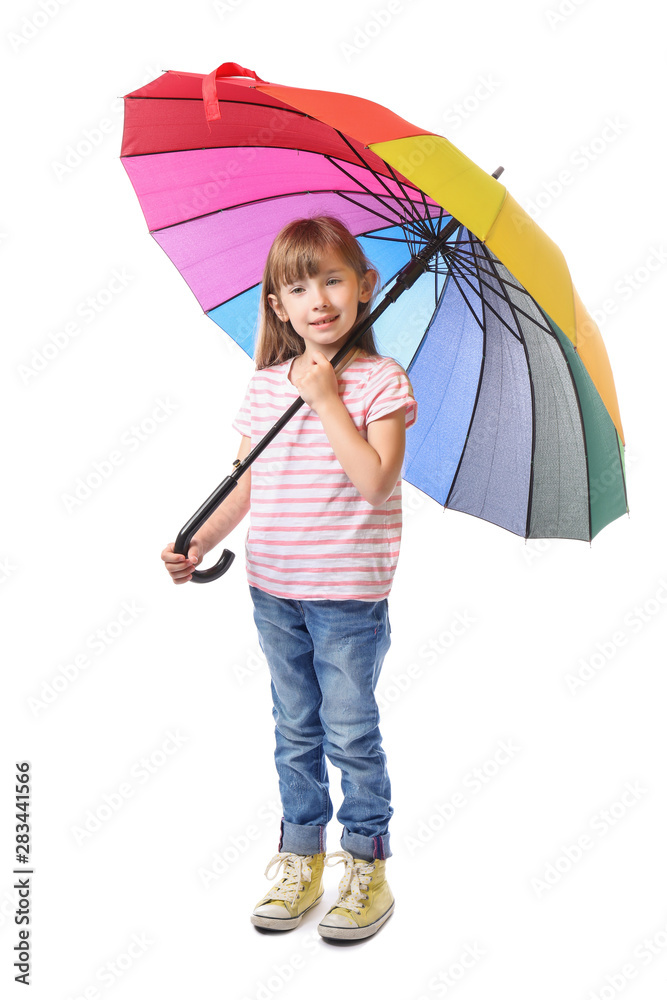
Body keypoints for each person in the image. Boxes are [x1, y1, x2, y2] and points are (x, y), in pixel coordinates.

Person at [161, 215, 417, 941]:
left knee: (349, 731)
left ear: (365, 288)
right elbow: (246, 481)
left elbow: (374, 480)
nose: (319, 300)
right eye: (298, 286)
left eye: (333, 279)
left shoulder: (379, 382)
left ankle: (365, 862)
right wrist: (198, 541)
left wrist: (327, 399)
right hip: (272, 588)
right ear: (276, 305)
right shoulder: (268, 383)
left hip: (346, 599)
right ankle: (299, 853)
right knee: (294, 729)